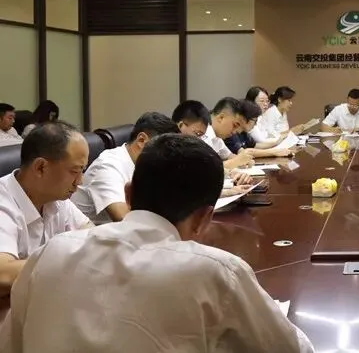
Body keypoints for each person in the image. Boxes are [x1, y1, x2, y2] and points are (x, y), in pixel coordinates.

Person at [0, 133, 315, 352]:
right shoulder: (216, 271)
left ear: (128, 194)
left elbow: (11, 343)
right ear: (205, 218)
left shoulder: (49, 254)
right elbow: (292, 348)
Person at [0, 122, 92, 295]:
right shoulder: (3, 203)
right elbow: (3, 274)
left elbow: (92, 236)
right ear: (41, 167)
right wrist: (69, 261)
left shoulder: (57, 197)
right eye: (75, 171)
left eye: (83, 170)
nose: (79, 182)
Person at [72, 112, 178, 224]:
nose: (168, 158)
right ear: (141, 140)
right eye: (165, 151)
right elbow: (124, 219)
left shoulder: (148, 167)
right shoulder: (108, 165)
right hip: (90, 232)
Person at [226, 100, 294, 158]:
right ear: (244, 119)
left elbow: (255, 146)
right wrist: (273, 152)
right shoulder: (230, 133)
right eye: (254, 121)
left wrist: (276, 143)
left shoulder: (243, 132)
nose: (255, 124)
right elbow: (243, 152)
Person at [203, 97, 256, 170]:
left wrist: (245, 160)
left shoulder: (218, 137)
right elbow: (205, 169)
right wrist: (237, 161)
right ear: (221, 117)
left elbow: (229, 156)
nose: (234, 132)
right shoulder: (203, 133)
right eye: (234, 125)